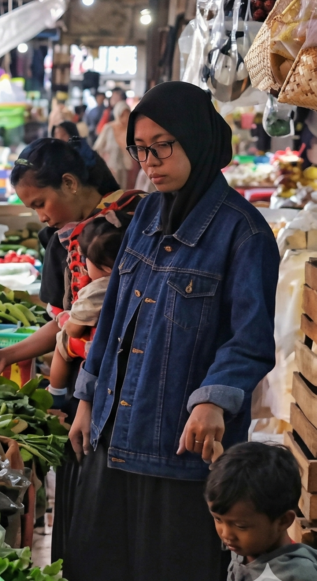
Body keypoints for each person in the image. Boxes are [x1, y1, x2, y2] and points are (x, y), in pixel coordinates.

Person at [64, 81, 279, 581]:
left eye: (162, 146)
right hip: (113, 433)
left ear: (197, 139)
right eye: (140, 149)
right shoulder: (145, 215)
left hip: (181, 448)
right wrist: (87, 398)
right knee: (98, 564)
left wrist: (212, 400)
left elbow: (249, 340)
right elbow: (113, 312)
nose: (150, 162)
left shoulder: (244, 233)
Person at [0, 138, 141, 564]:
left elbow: (98, 322)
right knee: (84, 508)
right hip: (86, 392)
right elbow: (66, 322)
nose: (40, 216)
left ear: (70, 182)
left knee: (110, 516)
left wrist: (79, 393)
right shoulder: (67, 238)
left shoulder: (126, 225)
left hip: (120, 391)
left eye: (40, 203)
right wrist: (9, 354)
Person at [207, 442, 317, 581]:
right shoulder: (245, 546)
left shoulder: (298, 575)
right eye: (218, 519)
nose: (226, 534)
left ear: (283, 521)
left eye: (241, 526)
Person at [51, 217, 123, 391]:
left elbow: (74, 330)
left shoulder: (97, 290)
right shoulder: (135, 280)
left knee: (63, 340)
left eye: (86, 259)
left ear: (105, 268)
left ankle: (56, 392)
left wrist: (64, 320)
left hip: (99, 351)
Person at [53, 121, 117, 193]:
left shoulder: (86, 155)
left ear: (72, 134)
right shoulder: (59, 159)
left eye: (63, 135)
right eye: (56, 135)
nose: (59, 138)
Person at [94, 102, 134, 188]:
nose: (125, 118)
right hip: (110, 169)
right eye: (122, 115)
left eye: (127, 115)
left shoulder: (131, 131)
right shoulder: (109, 128)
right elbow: (98, 147)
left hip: (125, 170)